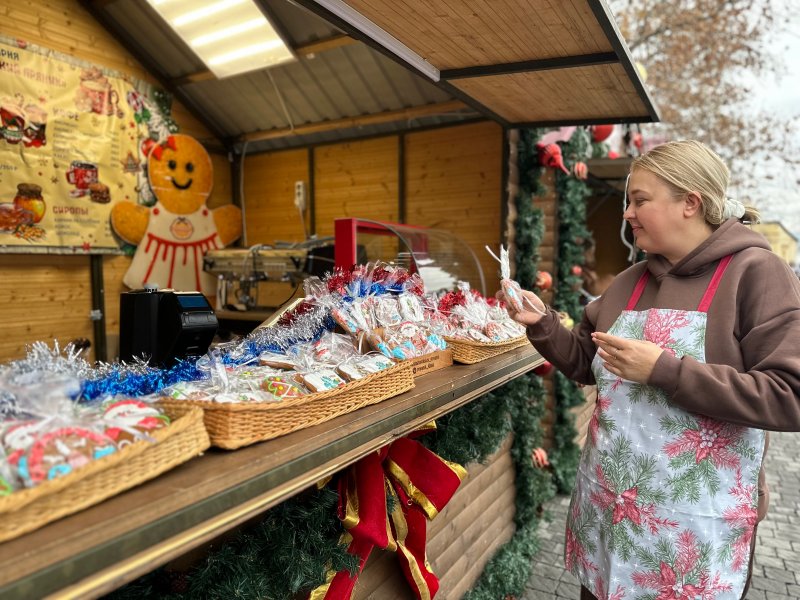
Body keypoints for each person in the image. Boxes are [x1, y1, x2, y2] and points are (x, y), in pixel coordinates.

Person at [500, 140, 800, 600]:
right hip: (608, 516)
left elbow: (789, 395)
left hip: (691, 535)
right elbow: (586, 361)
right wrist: (542, 324)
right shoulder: (628, 281)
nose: (627, 213)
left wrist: (666, 370)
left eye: (639, 200)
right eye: (627, 202)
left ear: (690, 203)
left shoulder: (757, 273)